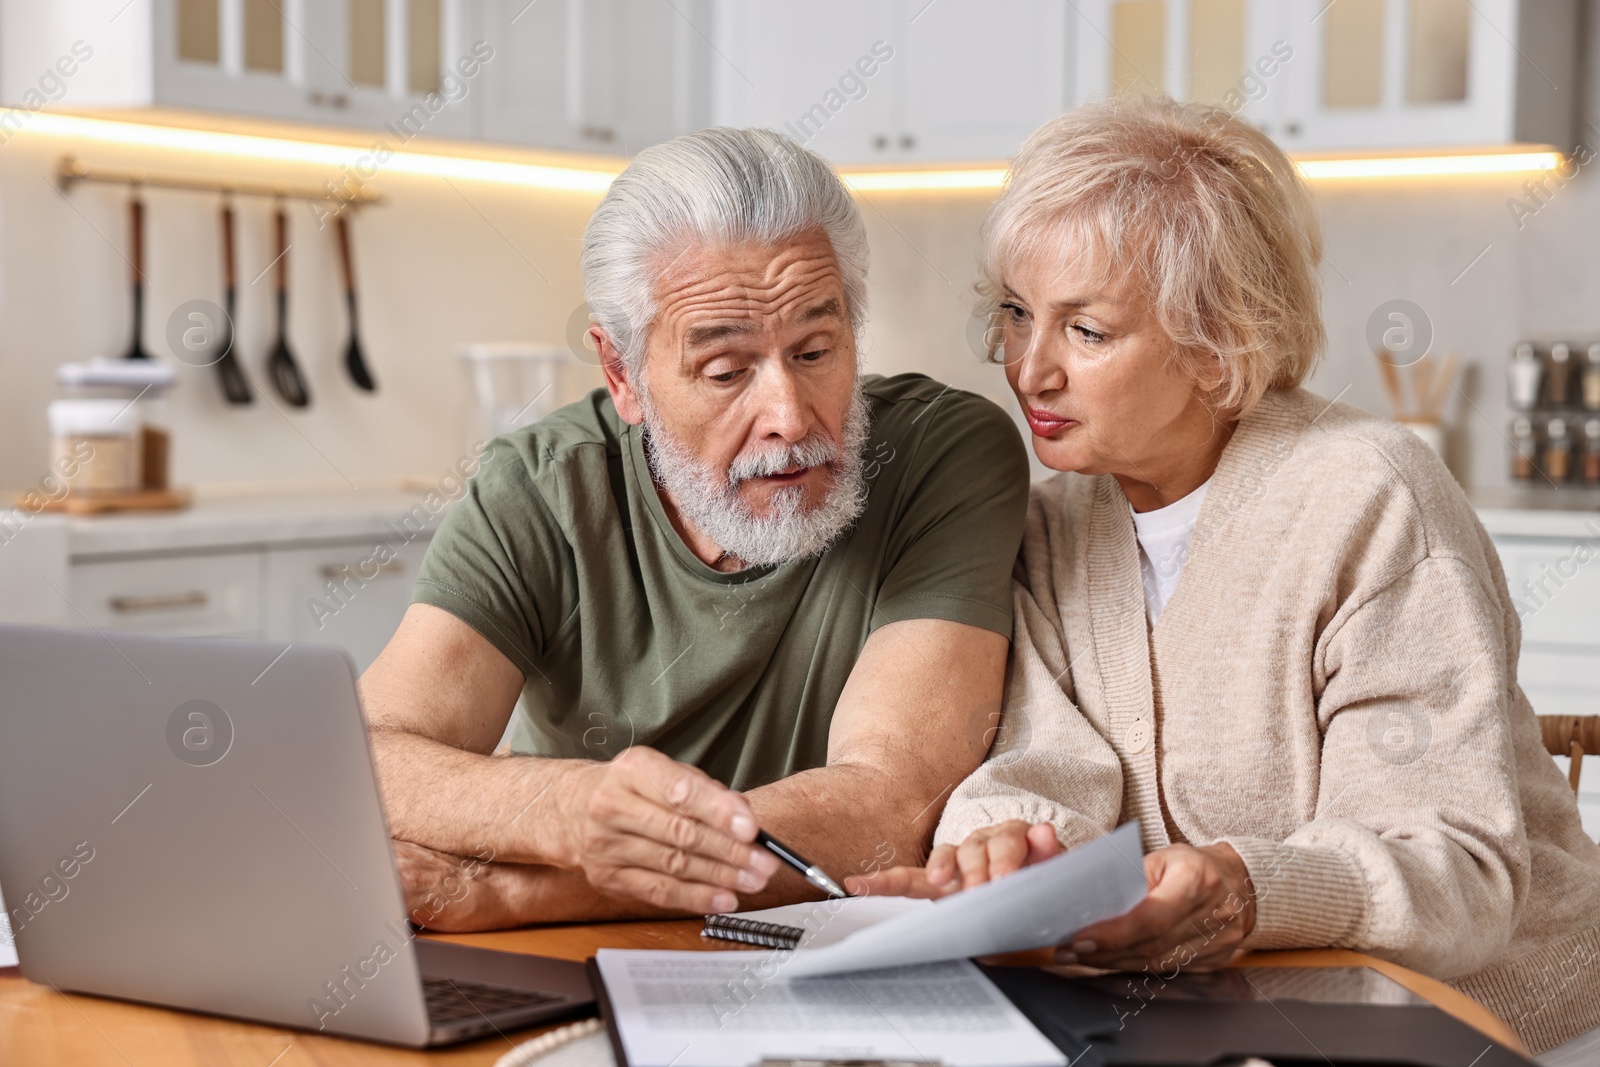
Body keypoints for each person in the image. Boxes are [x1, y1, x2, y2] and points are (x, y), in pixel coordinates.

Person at [852, 96, 1600, 1058]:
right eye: (1015, 313)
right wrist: (1002, 852)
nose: (1028, 369)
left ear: (1218, 344)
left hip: (1488, 1018)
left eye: (1086, 331)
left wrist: (1249, 890)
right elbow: (1040, 762)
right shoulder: (1049, 522)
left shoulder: (1368, 496)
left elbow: (1454, 866)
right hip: (1229, 1018)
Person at [359, 127, 1030, 931]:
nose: (788, 416)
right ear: (622, 376)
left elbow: (885, 806)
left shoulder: (943, 454)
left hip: (780, 951)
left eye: (817, 349)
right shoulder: (542, 486)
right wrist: (562, 804)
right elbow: (366, 753)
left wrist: (534, 890)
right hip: (564, 958)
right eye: (726, 371)